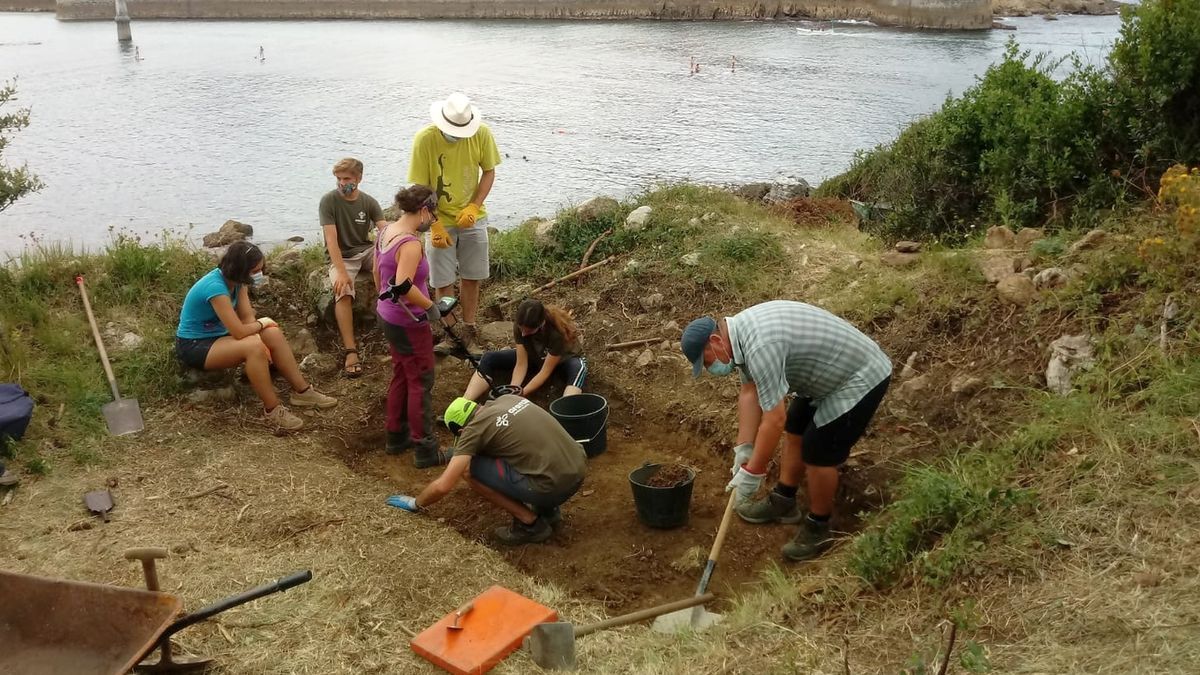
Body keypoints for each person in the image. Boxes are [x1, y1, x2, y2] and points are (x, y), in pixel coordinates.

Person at [680, 300, 891, 562]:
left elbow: (773, 421)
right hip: (826, 373)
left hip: (860, 377)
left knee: (818, 451)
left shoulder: (760, 346)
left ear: (715, 340)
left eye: (707, 361)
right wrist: (744, 449)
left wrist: (753, 471)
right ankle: (784, 501)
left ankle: (819, 527)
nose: (711, 369)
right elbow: (750, 392)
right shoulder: (740, 338)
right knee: (796, 426)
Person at [175, 242, 337, 431]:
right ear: (241, 270)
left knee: (272, 334)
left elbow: (246, 318)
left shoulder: (238, 283)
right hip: (195, 344)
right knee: (254, 346)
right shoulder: (215, 287)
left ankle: (302, 392)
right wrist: (262, 324)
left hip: (219, 336)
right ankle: (272, 409)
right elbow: (239, 331)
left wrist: (260, 332)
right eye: (255, 270)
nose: (260, 274)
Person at [385, 395, 586, 545]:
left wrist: (415, 502)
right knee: (518, 449)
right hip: (578, 467)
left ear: (462, 431)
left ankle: (530, 524)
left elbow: (444, 485)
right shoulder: (507, 398)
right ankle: (549, 510)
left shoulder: (474, 430)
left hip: (553, 487)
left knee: (469, 470)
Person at [408, 92, 502, 355]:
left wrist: (474, 205)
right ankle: (450, 333)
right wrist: (434, 224)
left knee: (472, 275)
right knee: (442, 279)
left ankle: (469, 327)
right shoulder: (424, 140)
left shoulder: (482, 134)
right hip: (439, 216)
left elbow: (489, 171)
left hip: (473, 217)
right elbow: (420, 187)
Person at [374, 184, 450, 468]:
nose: (434, 220)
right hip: (409, 320)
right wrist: (432, 308)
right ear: (423, 210)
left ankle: (396, 436)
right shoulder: (410, 243)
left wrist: (383, 305)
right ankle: (426, 449)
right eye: (434, 214)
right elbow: (404, 286)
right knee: (421, 380)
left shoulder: (385, 231)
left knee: (402, 374)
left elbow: (378, 274)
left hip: (388, 316)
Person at [320, 157, 386, 377]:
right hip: (342, 255)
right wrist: (340, 272)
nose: (341, 183)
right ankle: (351, 351)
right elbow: (331, 239)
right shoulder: (328, 201)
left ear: (359, 178)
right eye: (338, 179)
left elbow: (384, 230)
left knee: (391, 268)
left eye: (346, 178)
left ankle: (394, 331)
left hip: (365, 250)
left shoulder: (368, 202)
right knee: (344, 291)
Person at [461, 299, 586, 402]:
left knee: (577, 369)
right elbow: (521, 363)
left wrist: (521, 394)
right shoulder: (521, 325)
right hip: (536, 357)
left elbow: (545, 372)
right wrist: (513, 390)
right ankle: (464, 404)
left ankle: (565, 412)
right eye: (521, 329)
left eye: (529, 331)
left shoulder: (557, 334)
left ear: (541, 324)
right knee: (489, 358)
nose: (524, 334)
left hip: (562, 361)